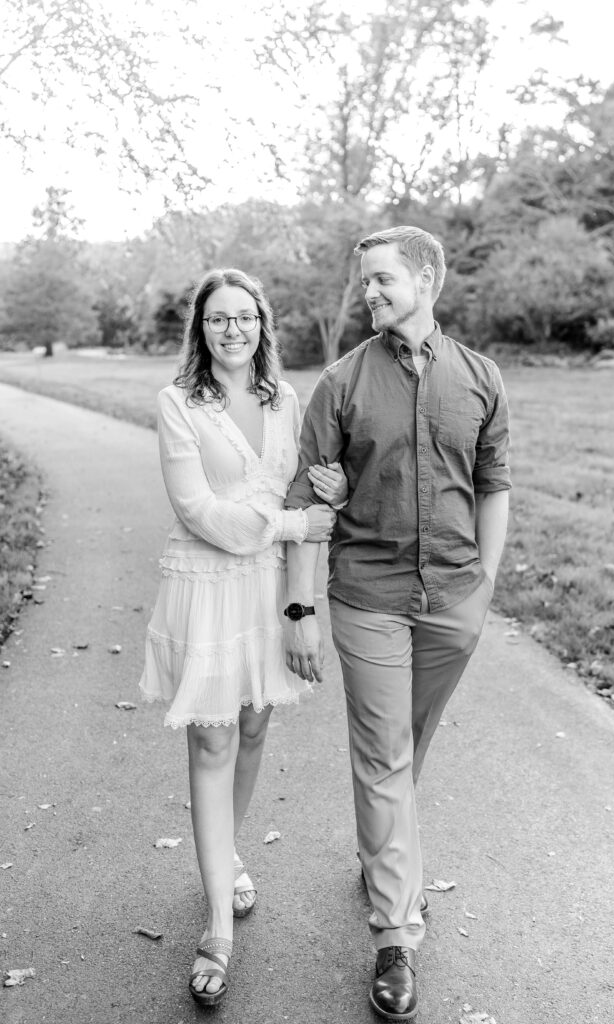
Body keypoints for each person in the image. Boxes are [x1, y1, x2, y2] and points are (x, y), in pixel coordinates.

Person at [284, 226, 511, 1021]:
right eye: (366, 282)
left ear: (426, 278)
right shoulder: (340, 384)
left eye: (383, 280)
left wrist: (484, 581)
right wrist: (299, 609)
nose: (370, 293)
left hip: (454, 603)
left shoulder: (480, 378)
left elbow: (493, 482)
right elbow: (310, 508)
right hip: (367, 597)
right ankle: (395, 935)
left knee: (408, 750)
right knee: (383, 756)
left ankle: (386, 854)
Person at [138, 268, 346, 1007]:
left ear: (263, 326)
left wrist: (305, 587)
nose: (234, 330)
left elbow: (311, 490)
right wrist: (295, 524)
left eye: (245, 318)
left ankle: (222, 856)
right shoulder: (176, 403)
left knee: (255, 728)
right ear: (200, 328)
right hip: (206, 585)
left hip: (266, 592)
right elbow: (199, 510)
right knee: (213, 739)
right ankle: (218, 925)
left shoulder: (285, 400)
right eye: (218, 319)